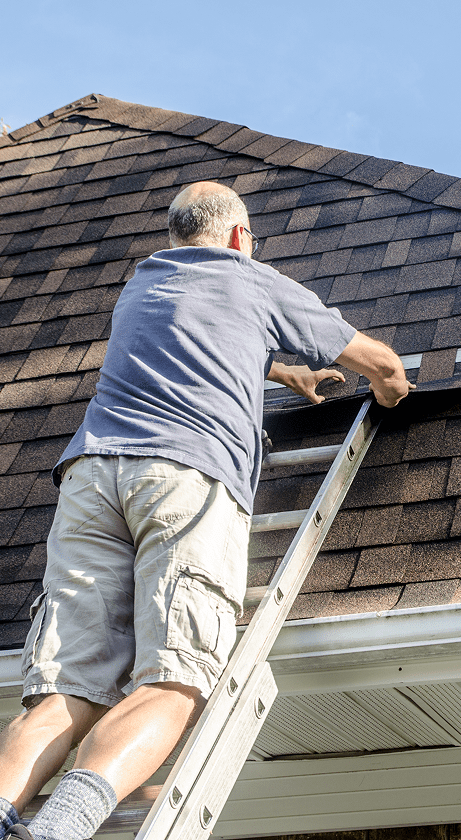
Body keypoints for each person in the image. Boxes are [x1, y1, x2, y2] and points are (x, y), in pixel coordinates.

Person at [0, 181, 412, 840]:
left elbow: (196, 335)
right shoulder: (253, 279)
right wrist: (391, 391)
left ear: (176, 236)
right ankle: (57, 834)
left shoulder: (143, 283)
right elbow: (376, 360)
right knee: (174, 680)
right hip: (183, 478)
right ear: (240, 239)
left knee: (64, 690)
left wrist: (276, 372)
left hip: (92, 477)